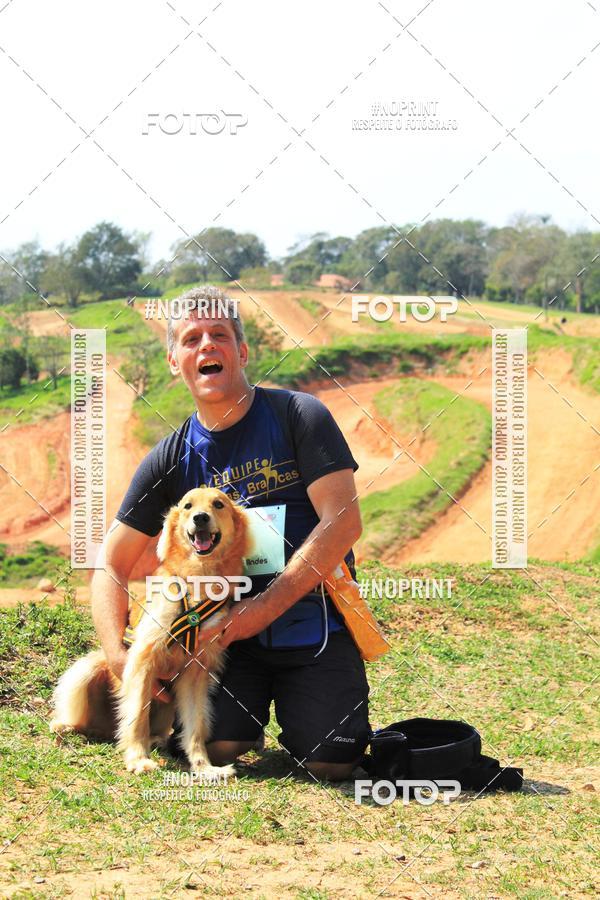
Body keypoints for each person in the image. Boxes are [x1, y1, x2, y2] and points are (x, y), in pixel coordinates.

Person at [91, 285, 370, 781]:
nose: (206, 347)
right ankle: (240, 721)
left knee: (333, 760)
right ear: (174, 360)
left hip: (310, 621)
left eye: (219, 335)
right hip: (215, 638)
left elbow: (344, 522)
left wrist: (256, 611)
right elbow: (110, 562)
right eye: (191, 338)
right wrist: (121, 657)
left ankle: (303, 715)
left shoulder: (299, 416)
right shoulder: (168, 457)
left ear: (241, 352)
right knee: (218, 746)